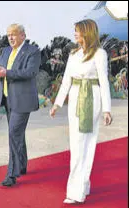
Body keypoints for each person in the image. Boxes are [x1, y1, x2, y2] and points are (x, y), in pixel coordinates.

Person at [49, 19, 112, 204]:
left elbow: (104, 81)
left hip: (92, 99)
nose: (75, 34)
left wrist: (107, 109)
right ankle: (83, 185)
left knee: (84, 143)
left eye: (77, 31)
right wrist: (57, 104)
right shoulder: (73, 54)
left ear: (87, 32)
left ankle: (76, 192)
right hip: (76, 97)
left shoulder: (100, 54)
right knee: (77, 143)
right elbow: (67, 80)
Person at [0, 23, 41, 186]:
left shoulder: (32, 51)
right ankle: (23, 165)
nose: (10, 37)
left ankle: (12, 174)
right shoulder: (5, 51)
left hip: (23, 100)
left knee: (13, 133)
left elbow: (30, 72)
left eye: (14, 34)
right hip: (7, 98)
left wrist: (6, 73)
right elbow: (3, 70)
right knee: (17, 134)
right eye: (8, 34)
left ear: (23, 36)